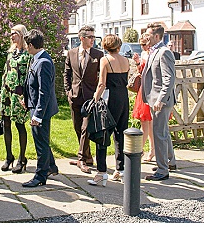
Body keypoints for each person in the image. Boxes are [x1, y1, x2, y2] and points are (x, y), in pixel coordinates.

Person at [88, 34, 130, 186]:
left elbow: (102, 84)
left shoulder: (105, 60)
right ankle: (121, 169)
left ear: (105, 46)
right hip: (123, 98)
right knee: (121, 134)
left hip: (111, 98)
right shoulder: (126, 60)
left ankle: (101, 172)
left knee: (102, 134)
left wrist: (95, 100)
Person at [22, 29, 60, 188]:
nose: (26, 47)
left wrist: (37, 115)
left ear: (31, 45)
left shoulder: (43, 62)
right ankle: (51, 166)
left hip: (41, 110)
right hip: (35, 106)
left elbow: (44, 92)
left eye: (27, 45)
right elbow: (33, 86)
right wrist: (27, 100)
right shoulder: (37, 58)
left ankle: (40, 176)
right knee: (42, 140)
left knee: (41, 143)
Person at [141, 23, 177, 181]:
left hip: (160, 101)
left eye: (148, 35)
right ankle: (170, 161)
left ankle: (163, 170)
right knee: (163, 132)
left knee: (159, 134)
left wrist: (161, 99)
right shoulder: (154, 50)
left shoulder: (164, 52)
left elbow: (169, 79)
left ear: (156, 36)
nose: (146, 37)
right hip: (153, 98)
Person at [64, 25, 102, 174]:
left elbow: (102, 76)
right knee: (77, 127)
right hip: (75, 96)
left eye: (94, 37)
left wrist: (97, 95)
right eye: (90, 37)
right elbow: (66, 74)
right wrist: (68, 91)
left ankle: (81, 159)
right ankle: (87, 156)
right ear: (82, 38)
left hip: (90, 97)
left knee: (86, 128)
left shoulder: (98, 55)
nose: (93, 40)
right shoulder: (71, 53)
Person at [0, 24, 32, 173]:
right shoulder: (11, 53)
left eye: (14, 34)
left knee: (19, 125)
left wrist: (26, 95)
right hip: (6, 93)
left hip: (19, 95)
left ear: (22, 35)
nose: (11, 37)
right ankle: (8, 156)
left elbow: (30, 76)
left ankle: (21, 158)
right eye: (11, 34)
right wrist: (2, 91)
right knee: (5, 124)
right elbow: (6, 72)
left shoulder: (27, 54)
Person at [130, 33, 154, 164]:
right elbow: (141, 72)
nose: (143, 47)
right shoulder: (145, 54)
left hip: (150, 90)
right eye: (141, 45)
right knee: (146, 123)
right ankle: (149, 150)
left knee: (149, 124)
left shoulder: (153, 54)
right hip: (143, 89)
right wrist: (138, 62)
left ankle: (140, 150)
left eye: (144, 44)